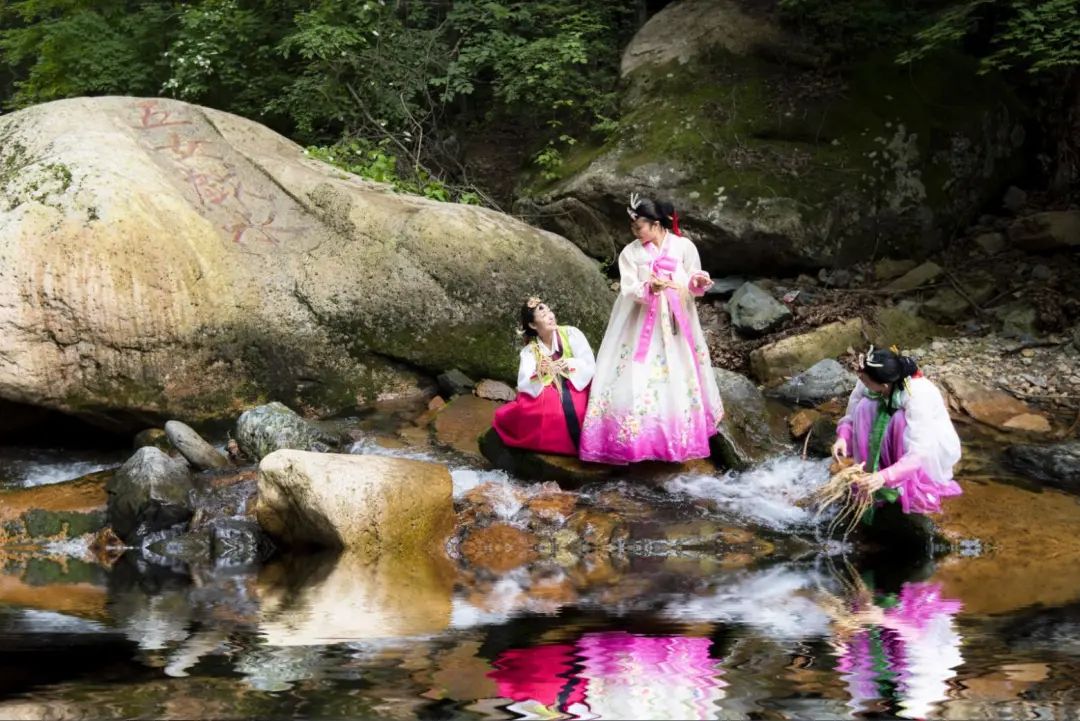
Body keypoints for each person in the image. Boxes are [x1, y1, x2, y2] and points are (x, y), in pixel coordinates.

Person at [579, 194, 724, 464]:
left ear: (656, 224)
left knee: (679, 372)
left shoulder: (683, 246)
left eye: (639, 227)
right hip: (639, 322)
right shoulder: (630, 253)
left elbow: (693, 276)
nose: (635, 232)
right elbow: (628, 288)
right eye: (633, 227)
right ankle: (635, 440)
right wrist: (649, 287)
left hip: (676, 321)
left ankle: (675, 437)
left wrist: (698, 281)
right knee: (637, 375)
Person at [831, 345, 962, 515]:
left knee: (899, 419)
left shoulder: (918, 395)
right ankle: (871, 469)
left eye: (865, 380)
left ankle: (896, 480)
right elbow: (852, 411)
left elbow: (918, 452)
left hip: (927, 445)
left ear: (885, 386)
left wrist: (885, 476)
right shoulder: (870, 375)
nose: (861, 380)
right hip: (894, 430)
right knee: (865, 405)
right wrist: (843, 437)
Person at [492, 297, 595, 455]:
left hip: (576, 382)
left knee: (578, 410)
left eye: (549, 311)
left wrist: (569, 363)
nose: (551, 316)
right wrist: (540, 372)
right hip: (545, 387)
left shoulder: (570, 333)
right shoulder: (530, 350)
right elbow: (525, 381)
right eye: (544, 315)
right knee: (537, 412)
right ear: (533, 325)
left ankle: (578, 446)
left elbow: (588, 363)